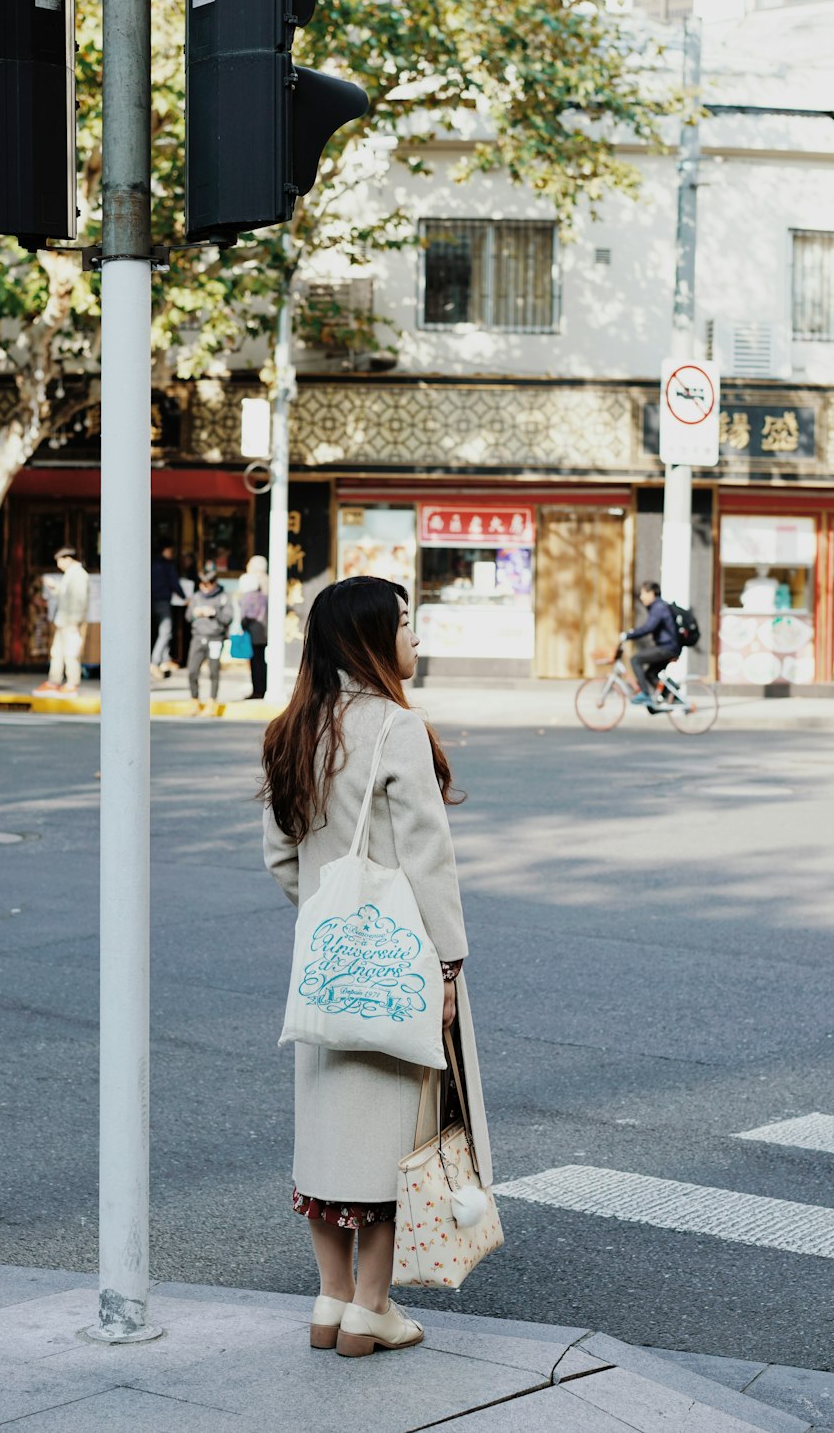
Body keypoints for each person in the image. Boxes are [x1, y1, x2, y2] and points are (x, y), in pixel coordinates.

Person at [261, 576, 492, 1358]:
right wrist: (448, 967)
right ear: (368, 637)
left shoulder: (290, 728)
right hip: (400, 966)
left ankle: (328, 1303)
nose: (414, 638)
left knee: (326, 1141)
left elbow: (280, 855)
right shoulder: (397, 727)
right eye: (403, 623)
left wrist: (330, 918)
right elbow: (430, 859)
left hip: (324, 965)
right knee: (395, 1140)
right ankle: (372, 1307)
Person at [33, 548, 89, 697]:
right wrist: (55, 588)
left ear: (68, 558)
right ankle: (54, 682)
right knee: (57, 652)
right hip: (63, 621)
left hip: (70, 622)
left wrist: (74, 622)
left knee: (71, 653)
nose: (59, 565)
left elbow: (79, 600)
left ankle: (72, 684)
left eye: (60, 560)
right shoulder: (70, 575)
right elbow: (66, 596)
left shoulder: (79, 575)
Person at [621, 580, 680, 707]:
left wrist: (629, 635)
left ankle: (645, 694)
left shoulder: (659, 607)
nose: (641, 597)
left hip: (667, 647)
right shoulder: (659, 606)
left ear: (652, 593)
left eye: (643, 593)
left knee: (635, 659)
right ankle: (673, 697)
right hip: (669, 647)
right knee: (650, 674)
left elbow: (649, 627)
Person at [186, 561, 233, 715]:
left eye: (208, 584)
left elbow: (228, 618)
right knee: (192, 671)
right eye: (203, 584)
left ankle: (212, 701)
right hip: (198, 637)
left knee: (214, 671)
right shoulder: (196, 597)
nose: (205, 587)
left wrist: (213, 613)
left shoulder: (223, 597)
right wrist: (196, 613)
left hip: (215, 638)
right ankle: (194, 700)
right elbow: (188, 616)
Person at [150, 543, 184, 679]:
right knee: (165, 632)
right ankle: (156, 660)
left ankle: (164, 660)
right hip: (162, 600)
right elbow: (174, 582)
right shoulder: (167, 566)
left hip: (150, 600)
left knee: (158, 631)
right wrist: (184, 597)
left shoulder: (150, 563)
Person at [238, 554, 269, 699]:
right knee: (260, 660)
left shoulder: (254, 586)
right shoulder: (267, 582)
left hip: (255, 630)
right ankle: (261, 688)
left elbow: (247, 615)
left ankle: (259, 689)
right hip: (265, 629)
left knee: (256, 661)